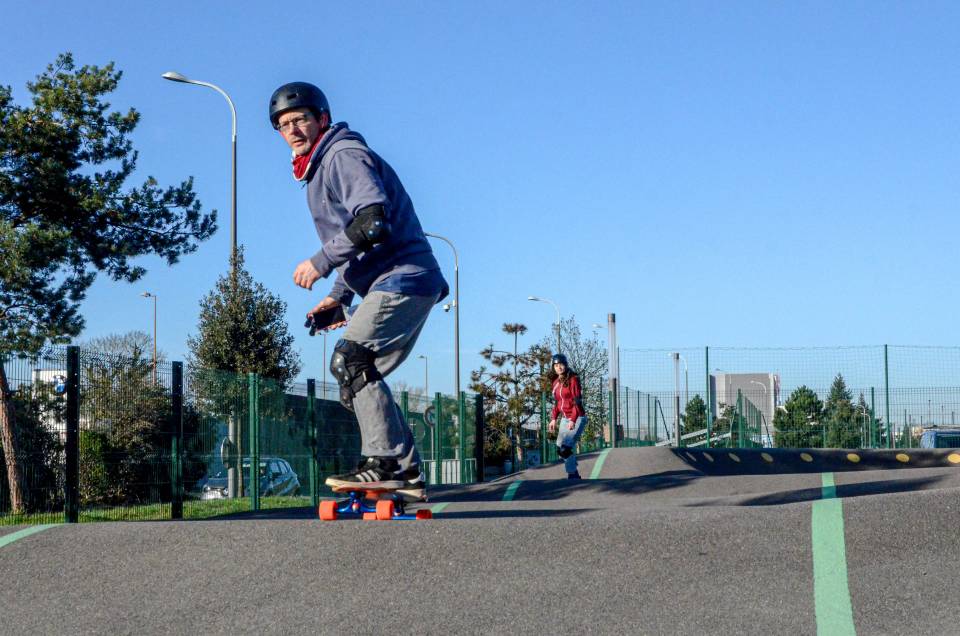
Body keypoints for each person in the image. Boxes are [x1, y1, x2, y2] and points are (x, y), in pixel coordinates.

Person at [270, 82, 448, 498]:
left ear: (322, 120)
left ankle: (384, 462)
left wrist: (319, 262)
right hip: (395, 278)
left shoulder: (342, 155)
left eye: (300, 120)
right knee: (355, 371)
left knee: (351, 361)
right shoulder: (319, 169)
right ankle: (404, 472)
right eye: (283, 125)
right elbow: (357, 243)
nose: (293, 130)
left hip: (405, 275)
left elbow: (372, 222)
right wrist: (340, 295)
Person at [548, 353, 587, 479]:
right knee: (560, 448)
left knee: (565, 448)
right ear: (553, 367)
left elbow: (577, 401)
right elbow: (558, 403)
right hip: (565, 419)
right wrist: (553, 418)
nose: (559, 368)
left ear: (566, 365)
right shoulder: (555, 382)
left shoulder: (573, 379)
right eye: (556, 365)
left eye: (561, 365)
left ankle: (573, 474)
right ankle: (573, 467)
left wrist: (573, 420)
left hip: (578, 417)